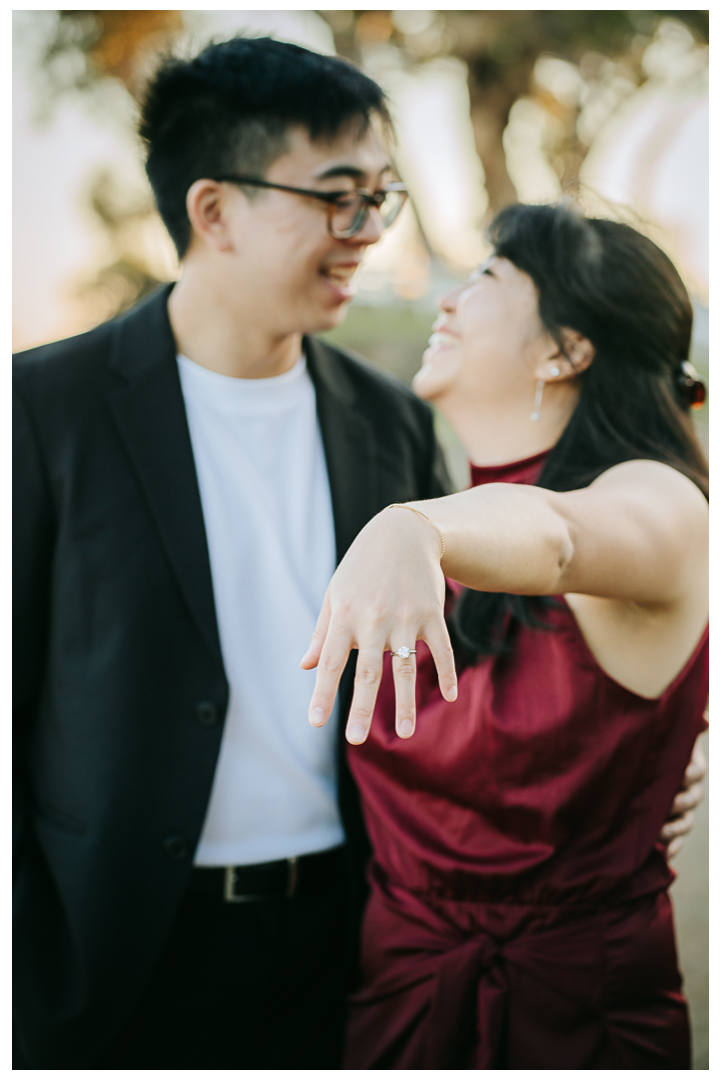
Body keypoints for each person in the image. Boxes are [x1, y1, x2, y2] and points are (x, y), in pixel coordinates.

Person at [12, 37, 452, 1069]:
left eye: (381, 199)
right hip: (114, 959)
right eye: (339, 198)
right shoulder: (42, 410)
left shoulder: (391, 422)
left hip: (344, 941)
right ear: (214, 210)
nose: (366, 237)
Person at [302, 202, 709, 1069]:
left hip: (573, 1024)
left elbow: (558, 538)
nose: (444, 301)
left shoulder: (657, 500)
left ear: (565, 350)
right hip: (393, 1001)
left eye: (482, 279)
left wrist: (412, 527)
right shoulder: (440, 511)